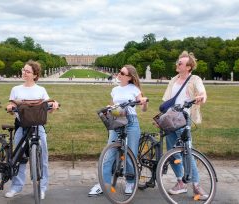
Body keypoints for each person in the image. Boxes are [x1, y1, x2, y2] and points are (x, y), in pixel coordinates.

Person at [88, 65, 148, 196]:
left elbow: (143, 107)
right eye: (119, 71)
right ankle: (104, 183)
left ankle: (131, 181)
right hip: (117, 120)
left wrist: (144, 102)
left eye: (122, 72)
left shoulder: (134, 88)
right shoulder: (115, 89)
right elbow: (112, 104)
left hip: (131, 122)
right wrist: (108, 108)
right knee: (109, 153)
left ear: (129, 77)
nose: (119, 74)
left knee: (129, 154)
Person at [5, 60, 59, 200]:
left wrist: (54, 105)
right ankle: (16, 187)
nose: (24, 73)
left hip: (37, 126)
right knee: (19, 158)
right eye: (23, 70)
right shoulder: (16, 89)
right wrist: (10, 108)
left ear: (35, 75)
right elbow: (11, 107)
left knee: (43, 158)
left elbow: (49, 108)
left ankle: (42, 187)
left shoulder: (41, 90)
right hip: (21, 126)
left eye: (28, 71)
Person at [162, 51, 208, 200]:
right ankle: (180, 182)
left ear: (188, 67)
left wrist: (201, 98)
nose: (177, 64)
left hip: (183, 119)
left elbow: (203, 93)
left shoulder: (195, 79)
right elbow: (166, 100)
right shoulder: (173, 80)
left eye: (180, 63)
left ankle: (196, 185)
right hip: (170, 119)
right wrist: (162, 118)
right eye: (178, 62)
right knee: (172, 153)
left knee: (187, 153)